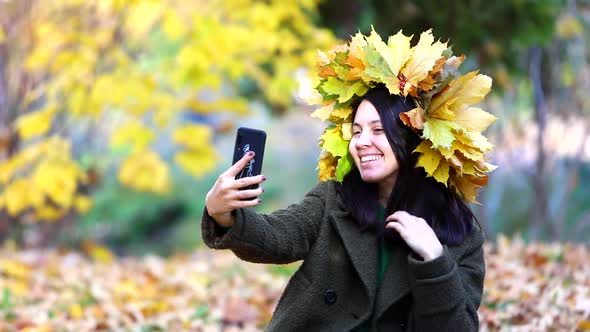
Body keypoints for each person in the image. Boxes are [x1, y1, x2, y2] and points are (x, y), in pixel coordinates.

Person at [203, 29, 495, 331]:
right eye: (357, 131)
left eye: (378, 130)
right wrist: (222, 214)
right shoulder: (334, 199)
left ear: (413, 138)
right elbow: (277, 237)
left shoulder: (458, 229)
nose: (361, 142)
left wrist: (435, 259)